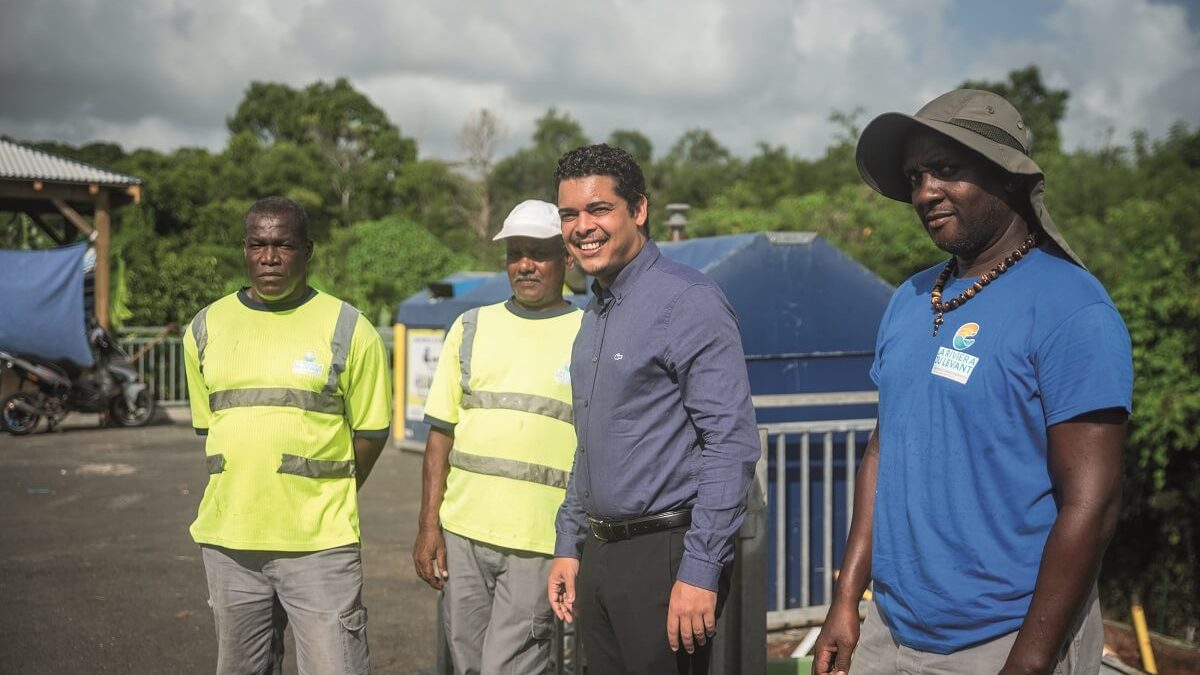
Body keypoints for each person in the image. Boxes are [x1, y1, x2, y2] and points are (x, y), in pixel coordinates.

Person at [813, 90, 1133, 675]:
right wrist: (846, 600)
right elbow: (883, 453)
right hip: (890, 629)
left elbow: (1094, 502)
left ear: (1007, 177)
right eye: (916, 176)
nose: (926, 191)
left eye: (948, 170)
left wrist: (1030, 662)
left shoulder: (1070, 307)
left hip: (1006, 640)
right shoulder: (909, 300)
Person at [546, 144, 760, 675]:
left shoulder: (688, 301)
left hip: (666, 556)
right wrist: (569, 543)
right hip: (600, 555)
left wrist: (701, 568)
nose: (582, 227)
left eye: (599, 210)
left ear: (638, 210)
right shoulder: (595, 309)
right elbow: (591, 442)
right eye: (569, 214)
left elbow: (730, 443)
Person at [183, 196, 391, 675]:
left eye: (283, 245)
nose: (270, 257)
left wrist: (321, 491)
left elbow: (372, 433)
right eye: (258, 244)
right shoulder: (204, 328)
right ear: (244, 249)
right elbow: (211, 430)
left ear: (308, 250)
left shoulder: (349, 328)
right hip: (230, 542)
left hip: (320, 543)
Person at [412, 199, 582, 675]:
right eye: (515, 253)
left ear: (567, 258)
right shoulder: (469, 328)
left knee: (512, 666)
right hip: (464, 533)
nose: (525, 264)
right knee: (467, 663)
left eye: (539, 253)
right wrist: (429, 526)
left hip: (539, 540)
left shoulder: (589, 333)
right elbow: (439, 437)